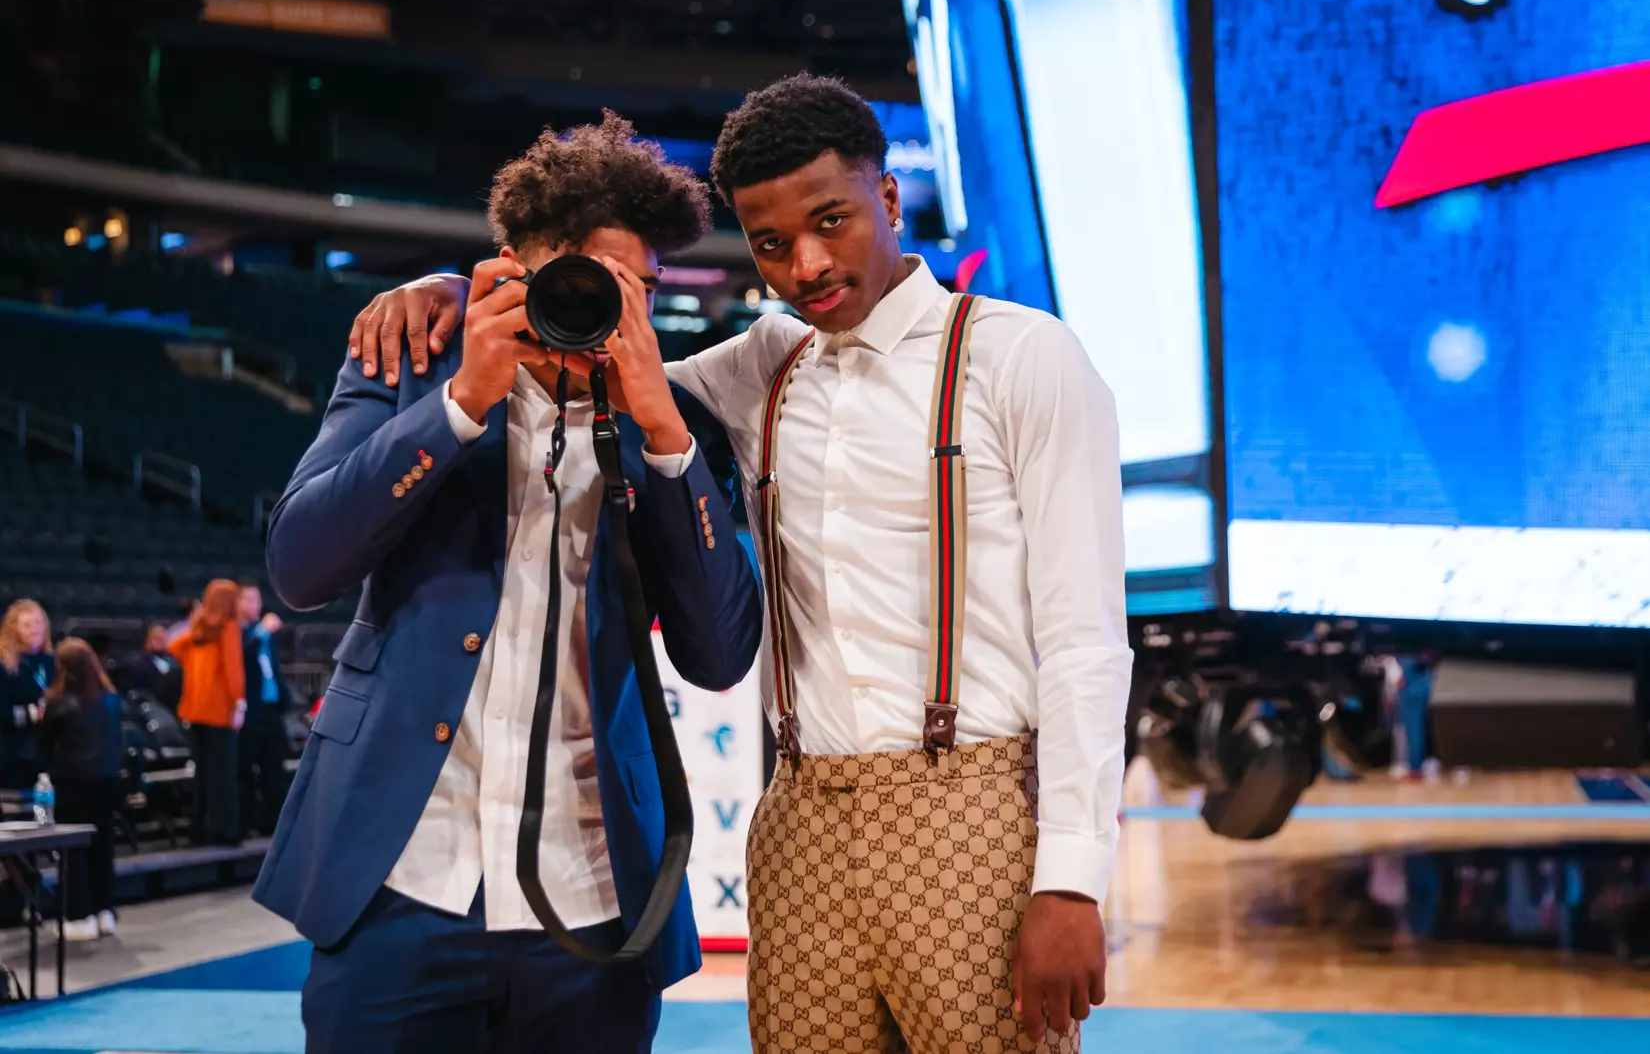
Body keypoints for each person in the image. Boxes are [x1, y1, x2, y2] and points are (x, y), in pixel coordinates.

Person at [351, 75, 1130, 1053]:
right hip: (799, 819)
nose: (805, 263)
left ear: (889, 201)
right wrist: (443, 290)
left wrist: (1070, 875)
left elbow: (1086, 642)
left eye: (832, 220)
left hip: (971, 804)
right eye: (769, 243)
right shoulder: (767, 358)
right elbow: (578, 336)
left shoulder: (1026, 359)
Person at [257, 112, 764, 1054]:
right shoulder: (413, 366)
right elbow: (299, 565)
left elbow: (722, 652)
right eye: (584, 283)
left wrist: (659, 432)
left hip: (599, 898)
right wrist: (460, 404)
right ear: (510, 270)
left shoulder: (676, 422)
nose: (608, 311)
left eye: (634, 290)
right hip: (401, 878)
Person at [37, 637, 124, 942]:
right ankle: (105, 912)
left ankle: (78, 916)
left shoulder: (59, 704)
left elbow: (43, 746)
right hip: (107, 782)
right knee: (103, 849)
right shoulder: (111, 700)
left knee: (74, 852)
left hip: (73, 783)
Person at [168, 580, 244, 846]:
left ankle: (199, 830)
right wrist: (239, 703)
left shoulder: (199, 631)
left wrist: (197, 624)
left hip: (194, 712)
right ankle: (225, 831)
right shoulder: (229, 628)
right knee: (222, 775)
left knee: (202, 775)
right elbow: (233, 670)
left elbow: (173, 648)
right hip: (219, 712)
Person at [236, 584, 290, 837]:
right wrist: (261, 633)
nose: (255, 605)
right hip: (249, 712)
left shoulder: (264, 638)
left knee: (274, 769)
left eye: (257, 599)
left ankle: (274, 823)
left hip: (272, 711)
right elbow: (242, 658)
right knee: (246, 770)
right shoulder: (238, 633)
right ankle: (247, 823)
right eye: (248, 599)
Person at [0, 599, 56, 791]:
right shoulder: (5, 664)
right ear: (13, 629)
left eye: (39, 623)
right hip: (14, 744)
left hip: (47, 740)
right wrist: (34, 713)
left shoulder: (50, 661)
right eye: (27, 625)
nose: (35, 629)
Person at [116, 622, 184, 713]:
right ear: (146, 641)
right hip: (150, 711)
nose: (161, 641)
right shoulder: (137, 667)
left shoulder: (177, 664)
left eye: (164, 638)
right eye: (156, 638)